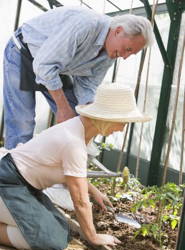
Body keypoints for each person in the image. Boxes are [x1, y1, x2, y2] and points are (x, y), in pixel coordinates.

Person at [0, 83, 152, 250]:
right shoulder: (74, 143)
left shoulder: (78, 128)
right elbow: (79, 201)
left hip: (21, 184)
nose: (122, 129)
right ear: (107, 118)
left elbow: (73, 174)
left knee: (60, 229)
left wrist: (95, 192)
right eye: (122, 122)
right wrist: (93, 237)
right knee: (49, 241)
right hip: (7, 184)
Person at [3, 5, 154, 149]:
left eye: (131, 53)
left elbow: (87, 84)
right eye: (127, 49)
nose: (125, 57)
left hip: (57, 65)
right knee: (22, 122)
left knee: (76, 117)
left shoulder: (111, 54)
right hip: (23, 52)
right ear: (118, 31)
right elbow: (44, 66)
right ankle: (11, 171)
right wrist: (62, 108)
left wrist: (93, 113)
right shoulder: (86, 25)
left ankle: (56, 163)